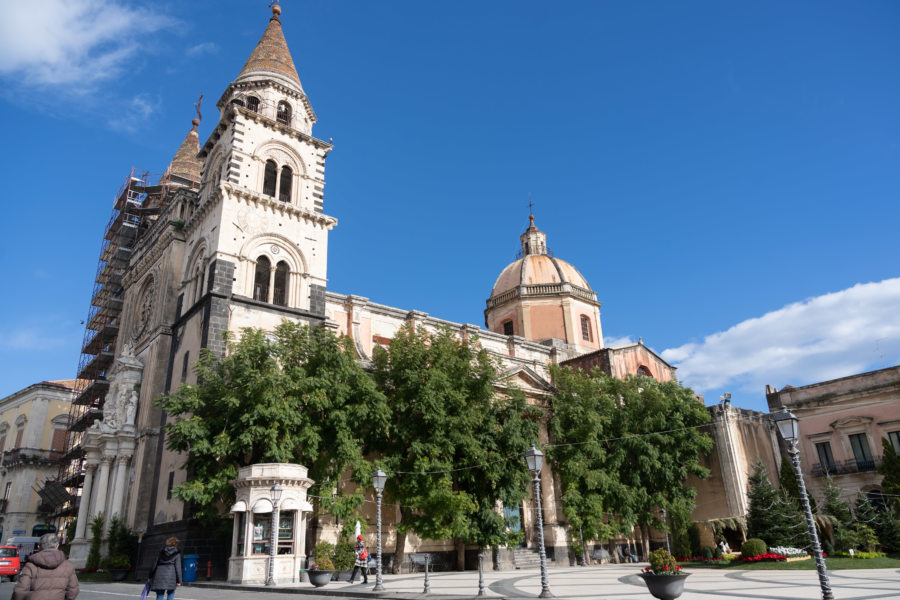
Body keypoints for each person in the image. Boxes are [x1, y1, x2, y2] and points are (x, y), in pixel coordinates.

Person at [11, 532, 79, 600]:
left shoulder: (30, 565)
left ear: (39, 547)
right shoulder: (68, 565)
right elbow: (73, 591)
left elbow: (19, 592)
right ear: (57, 546)